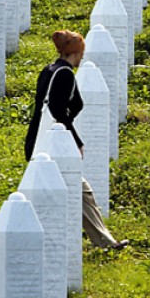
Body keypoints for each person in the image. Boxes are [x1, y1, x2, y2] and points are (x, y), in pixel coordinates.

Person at [25, 30, 128, 250]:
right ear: (75, 52)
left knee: (76, 193)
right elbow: (58, 112)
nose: (82, 57)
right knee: (83, 192)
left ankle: (105, 241)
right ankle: (105, 242)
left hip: (37, 141)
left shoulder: (48, 71)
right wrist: (76, 141)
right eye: (81, 53)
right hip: (53, 145)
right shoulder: (65, 74)